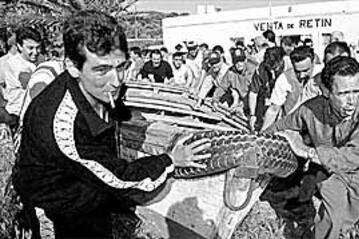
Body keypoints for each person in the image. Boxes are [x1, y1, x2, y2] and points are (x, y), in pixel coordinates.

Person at [12, 10, 210, 238]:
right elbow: (118, 178)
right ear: (72, 67)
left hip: (87, 193)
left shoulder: (98, 87)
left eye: (122, 67)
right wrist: (170, 160)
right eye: (102, 70)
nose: (116, 81)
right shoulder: (63, 126)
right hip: (59, 210)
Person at [266, 56, 359, 239]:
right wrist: (257, 144)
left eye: (356, 91)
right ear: (326, 91)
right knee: (332, 218)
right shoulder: (310, 109)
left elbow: (352, 157)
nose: (352, 101)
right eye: (343, 93)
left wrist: (304, 150)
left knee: (346, 220)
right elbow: (279, 129)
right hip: (333, 173)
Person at [261, 46, 322, 131]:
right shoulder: (284, 78)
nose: (301, 75)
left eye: (305, 70)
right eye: (297, 71)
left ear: (313, 62)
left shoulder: (322, 74)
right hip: (292, 126)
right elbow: (274, 109)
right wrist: (263, 132)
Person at [0, 26, 41, 130]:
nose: (35, 52)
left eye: (38, 47)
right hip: (18, 115)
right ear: (19, 46)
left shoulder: (41, 59)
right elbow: (31, 83)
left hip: (37, 113)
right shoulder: (13, 64)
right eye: (30, 48)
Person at [248, 47, 285, 130]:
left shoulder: (289, 69)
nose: (272, 73)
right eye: (269, 69)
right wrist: (252, 114)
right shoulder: (260, 69)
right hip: (268, 99)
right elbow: (253, 92)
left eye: (275, 68)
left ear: (281, 61)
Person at [212, 47, 256, 114]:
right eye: (236, 61)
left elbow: (254, 93)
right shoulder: (231, 72)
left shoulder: (252, 71)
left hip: (253, 101)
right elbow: (222, 87)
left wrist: (242, 105)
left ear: (245, 60)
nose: (239, 64)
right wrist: (215, 100)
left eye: (241, 60)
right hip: (239, 100)